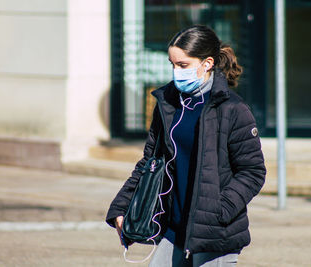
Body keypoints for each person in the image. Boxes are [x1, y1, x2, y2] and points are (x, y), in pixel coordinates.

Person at [106, 25, 266, 267]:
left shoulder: (233, 109)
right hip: (172, 227)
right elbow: (150, 162)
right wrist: (122, 205)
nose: (176, 72)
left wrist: (219, 210)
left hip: (212, 235)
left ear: (207, 63)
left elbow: (253, 172)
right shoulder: (167, 104)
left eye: (183, 65)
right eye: (172, 64)